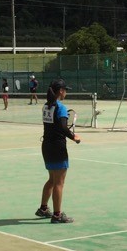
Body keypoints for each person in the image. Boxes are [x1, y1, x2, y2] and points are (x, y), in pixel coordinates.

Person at [36, 79, 81, 224]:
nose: (66, 92)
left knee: (52, 179)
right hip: (57, 147)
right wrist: (74, 137)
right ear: (60, 91)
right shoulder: (60, 107)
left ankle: (43, 209)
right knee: (59, 183)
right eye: (65, 90)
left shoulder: (46, 106)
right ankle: (57, 215)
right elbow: (62, 127)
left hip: (47, 146)